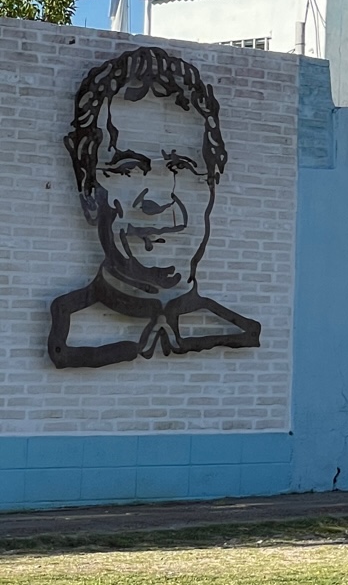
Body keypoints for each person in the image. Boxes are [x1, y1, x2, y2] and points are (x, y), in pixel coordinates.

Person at [46, 47, 260, 368]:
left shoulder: (232, 327)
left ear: (212, 187)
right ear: (89, 188)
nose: (158, 200)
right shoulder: (70, 325)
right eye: (128, 168)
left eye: (183, 168)